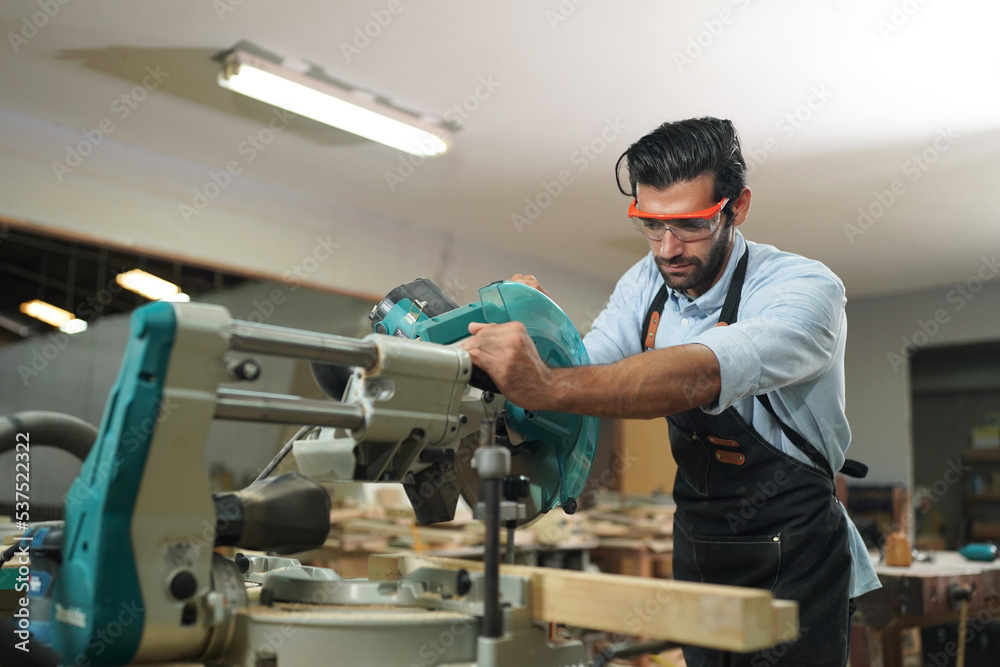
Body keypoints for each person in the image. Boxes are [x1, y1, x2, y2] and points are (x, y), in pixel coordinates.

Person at [461, 117, 881, 666]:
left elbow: (705, 372)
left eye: (689, 225)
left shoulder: (804, 289)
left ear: (738, 207)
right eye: (651, 225)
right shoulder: (645, 282)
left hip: (795, 545)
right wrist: (539, 334)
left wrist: (547, 381)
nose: (668, 248)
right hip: (700, 538)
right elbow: (589, 371)